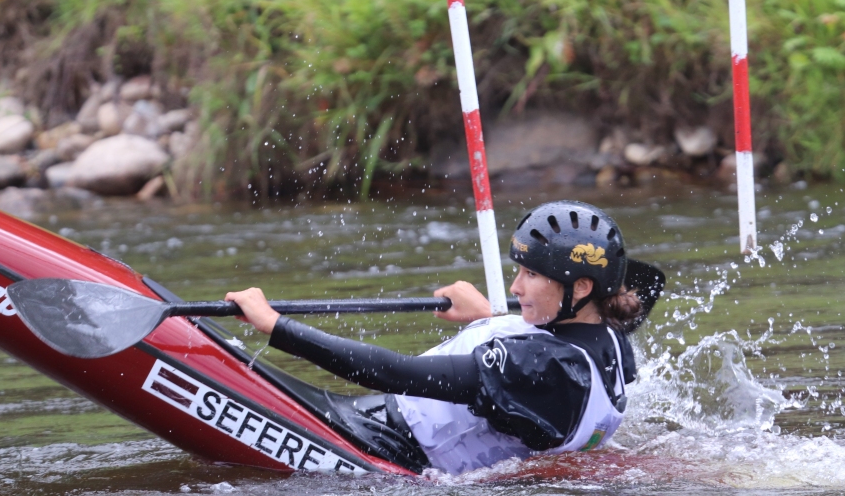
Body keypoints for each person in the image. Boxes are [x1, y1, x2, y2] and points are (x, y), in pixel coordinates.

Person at [227, 201, 651, 475]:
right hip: (397, 426)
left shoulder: (543, 368)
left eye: (532, 274)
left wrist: (275, 324)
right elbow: (544, 371)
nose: (517, 287)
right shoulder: (609, 339)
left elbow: (396, 373)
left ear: (580, 289)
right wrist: (490, 316)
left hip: (388, 445)